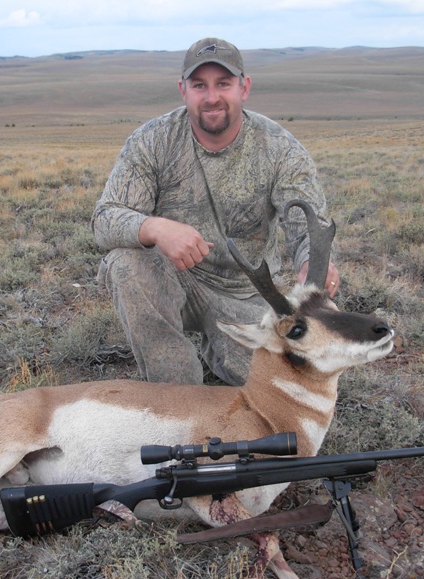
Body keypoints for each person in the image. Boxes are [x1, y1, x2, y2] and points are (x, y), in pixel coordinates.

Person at [91, 37, 339, 386]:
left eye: (223, 84)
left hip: (248, 297)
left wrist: (313, 265)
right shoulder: (153, 141)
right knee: (126, 264)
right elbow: (104, 219)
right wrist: (155, 227)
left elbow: (309, 225)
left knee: (289, 386)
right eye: (199, 85)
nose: (211, 97)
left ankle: (219, 344)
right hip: (176, 281)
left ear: (244, 87)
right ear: (183, 90)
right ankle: (175, 395)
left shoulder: (280, 148)